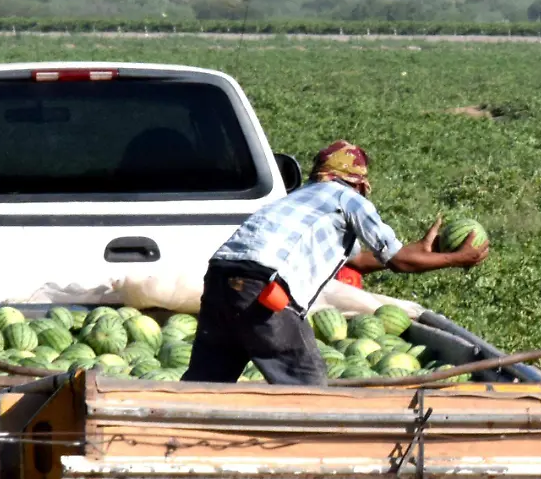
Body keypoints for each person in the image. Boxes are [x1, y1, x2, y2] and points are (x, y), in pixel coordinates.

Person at [182, 140, 487, 385]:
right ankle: (304, 457)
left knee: (205, 382)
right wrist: (458, 258)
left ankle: (167, 444)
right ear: (358, 182)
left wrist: (422, 252)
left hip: (220, 280)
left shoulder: (298, 199)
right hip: (263, 288)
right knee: (307, 384)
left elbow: (358, 261)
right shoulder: (347, 198)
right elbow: (398, 262)